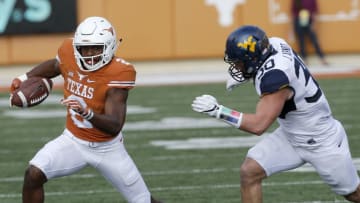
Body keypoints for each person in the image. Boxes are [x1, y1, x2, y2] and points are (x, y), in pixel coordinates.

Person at [191, 25, 360, 202]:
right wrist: (249, 74)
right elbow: (264, 63)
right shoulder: (275, 44)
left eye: (239, 62)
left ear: (253, 59)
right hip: (292, 134)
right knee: (249, 172)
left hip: (320, 140)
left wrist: (219, 111)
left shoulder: (276, 78)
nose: (236, 66)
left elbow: (258, 125)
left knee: (353, 194)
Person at [10, 16, 162, 203]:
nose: (89, 54)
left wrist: (86, 112)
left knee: (143, 200)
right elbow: (56, 65)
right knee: (33, 174)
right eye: (84, 48)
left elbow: (114, 125)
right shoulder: (68, 51)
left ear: (110, 46)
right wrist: (24, 77)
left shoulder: (119, 72)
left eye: (96, 48)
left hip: (108, 149)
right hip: (72, 141)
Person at [291, 0, 328, 65]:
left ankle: (322, 58)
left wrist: (314, 23)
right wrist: (292, 28)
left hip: (309, 20)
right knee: (301, 42)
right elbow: (293, 13)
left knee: (314, 40)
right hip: (298, 21)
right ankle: (304, 59)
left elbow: (315, 11)